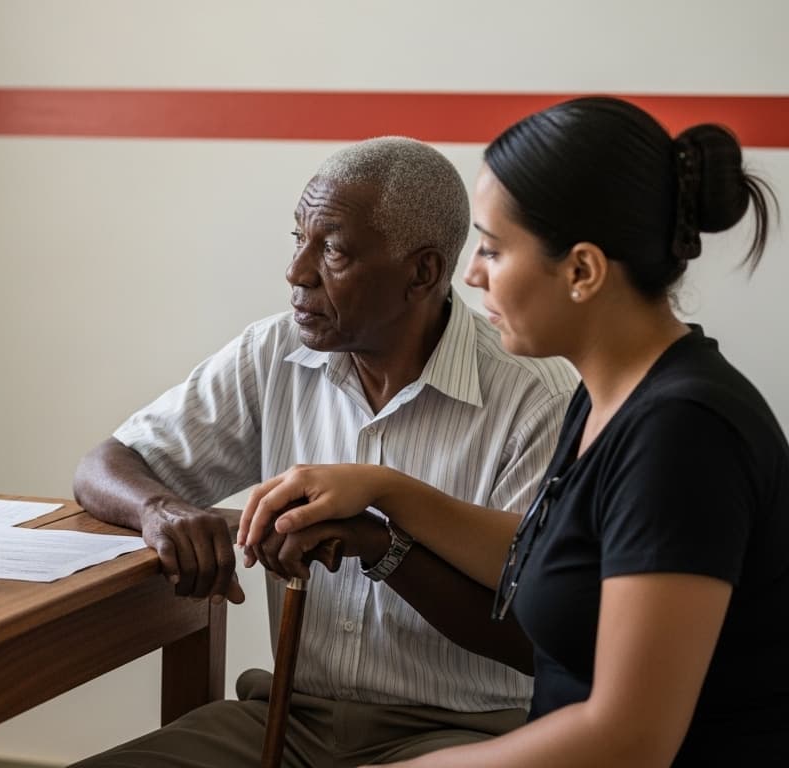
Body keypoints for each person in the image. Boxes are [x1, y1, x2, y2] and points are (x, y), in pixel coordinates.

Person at [239, 97, 786, 767]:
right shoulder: (608, 398)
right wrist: (381, 489)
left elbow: (630, 740)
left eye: (493, 250)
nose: (469, 274)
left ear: (582, 271)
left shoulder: (684, 433)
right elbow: (555, 554)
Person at [72, 137, 580, 767]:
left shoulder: (537, 396)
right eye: (298, 239)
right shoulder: (274, 353)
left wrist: (383, 547)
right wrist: (161, 511)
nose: (297, 272)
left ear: (421, 273)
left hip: (469, 733)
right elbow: (105, 464)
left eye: (333, 249)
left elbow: (540, 641)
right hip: (287, 719)